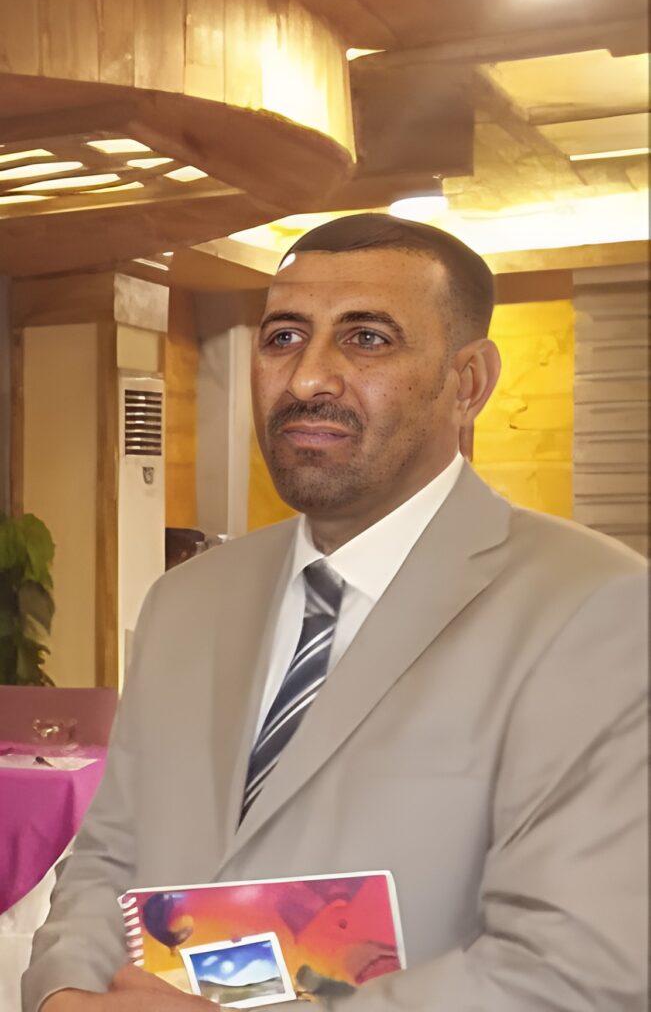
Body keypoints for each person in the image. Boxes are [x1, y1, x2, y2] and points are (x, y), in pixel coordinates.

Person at [24, 214, 647, 1012]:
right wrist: (66, 994)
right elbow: (107, 857)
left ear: (467, 383)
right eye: (284, 337)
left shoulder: (597, 609)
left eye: (366, 339)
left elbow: (575, 968)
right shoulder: (185, 601)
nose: (308, 379)